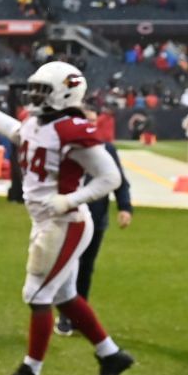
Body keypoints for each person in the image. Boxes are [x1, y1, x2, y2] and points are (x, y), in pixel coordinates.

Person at [0, 64, 136, 375]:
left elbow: (110, 178)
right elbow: (16, 131)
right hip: (48, 221)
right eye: (34, 88)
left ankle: (30, 373)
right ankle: (111, 355)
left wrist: (70, 200)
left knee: (37, 294)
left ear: (66, 92)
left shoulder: (71, 129)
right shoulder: (39, 122)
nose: (35, 95)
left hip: (65, 222)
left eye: (43, 90)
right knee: (64, 296)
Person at [56, 124, 133, 335]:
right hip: (69, 218)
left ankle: (79, 314)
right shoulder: (63, 148)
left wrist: (125, 208)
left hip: (97, 219)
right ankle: (66, 315)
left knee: (86, 268)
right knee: (69, 267)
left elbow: (120, 182)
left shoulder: (106, 149)